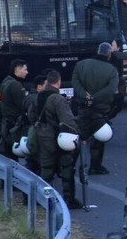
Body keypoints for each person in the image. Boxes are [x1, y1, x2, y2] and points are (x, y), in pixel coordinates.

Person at [37, 70, 83, 210]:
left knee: (46, 170)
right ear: (58, 82)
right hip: (56, 137)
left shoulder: (38, 97)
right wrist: (77, 133)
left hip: (42, 136)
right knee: (67, 168)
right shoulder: (58, 99)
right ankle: (69, 199)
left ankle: (45, 200)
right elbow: (68, 121)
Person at [72, 42, 118, 175]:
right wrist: (94, 97)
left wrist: (84, 95)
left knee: (79, 137)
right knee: (99, 139)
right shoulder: (111, 70)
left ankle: (71, 165)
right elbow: (110, 89)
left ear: (98, 51)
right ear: (109, 55)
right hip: (100, 109)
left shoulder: (81, 65)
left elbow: (75, 81)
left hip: (83, 107)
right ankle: (95, 166)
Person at [0, 59, 29, 161]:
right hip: (13, 123)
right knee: (12, 150)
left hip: (5, 121)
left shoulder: (6, 81)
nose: (27, 72)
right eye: (25, 69)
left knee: (5, 149)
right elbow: (23, 105)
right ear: (17, 69)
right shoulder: (16, 85)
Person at [23, 74, 47, 176]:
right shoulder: (34, 99)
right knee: (34, 162)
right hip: (34, 134)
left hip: (32, 133)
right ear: (39, 86)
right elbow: (32, 117)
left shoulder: (30, 97)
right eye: (46, 84)